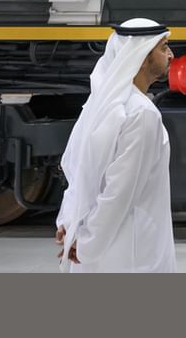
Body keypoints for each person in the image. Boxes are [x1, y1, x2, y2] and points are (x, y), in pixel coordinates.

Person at [55, 18, 177, 273]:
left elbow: (75, 171)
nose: (171, 54)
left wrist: (70, 224)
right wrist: (86, 244)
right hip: (130, 252)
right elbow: (119, 192)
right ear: (142, 56)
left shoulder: (99, 103)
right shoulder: (141, 114)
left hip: (97, 243)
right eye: (163, 47)